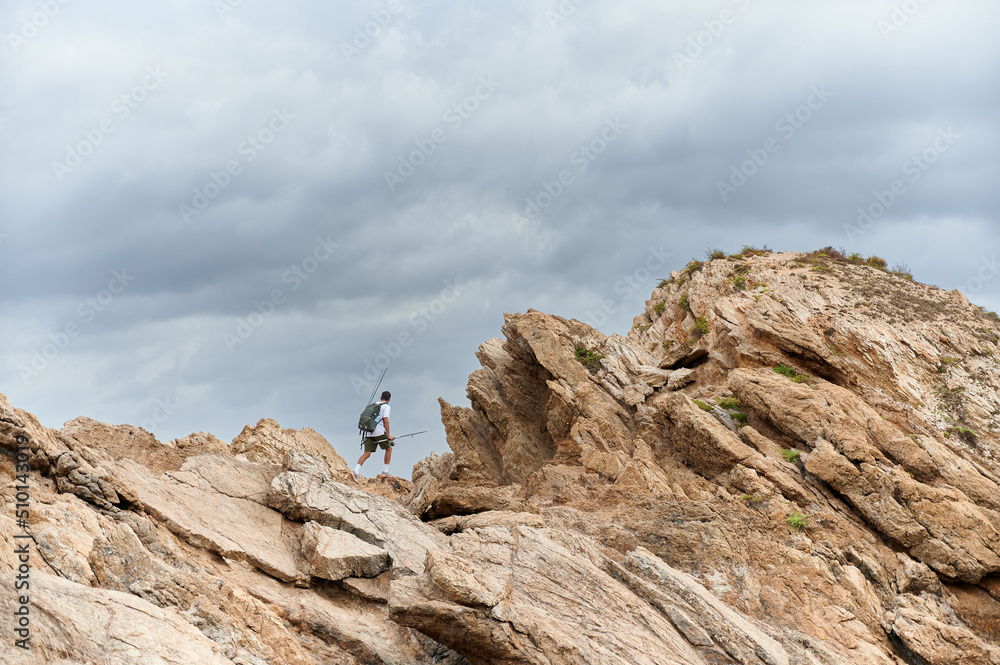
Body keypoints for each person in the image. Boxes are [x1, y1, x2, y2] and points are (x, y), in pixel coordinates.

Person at [351, 391, 395, 480]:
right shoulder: (386, 406)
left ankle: (355, 471)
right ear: (389, 399)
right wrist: (388, 435)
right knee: (389, 448)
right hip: (378, 431)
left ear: (380, 398)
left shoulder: (374, 404)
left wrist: (365, 436)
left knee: (367, 453)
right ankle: (385, 471)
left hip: (368, 432)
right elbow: (385, 420)